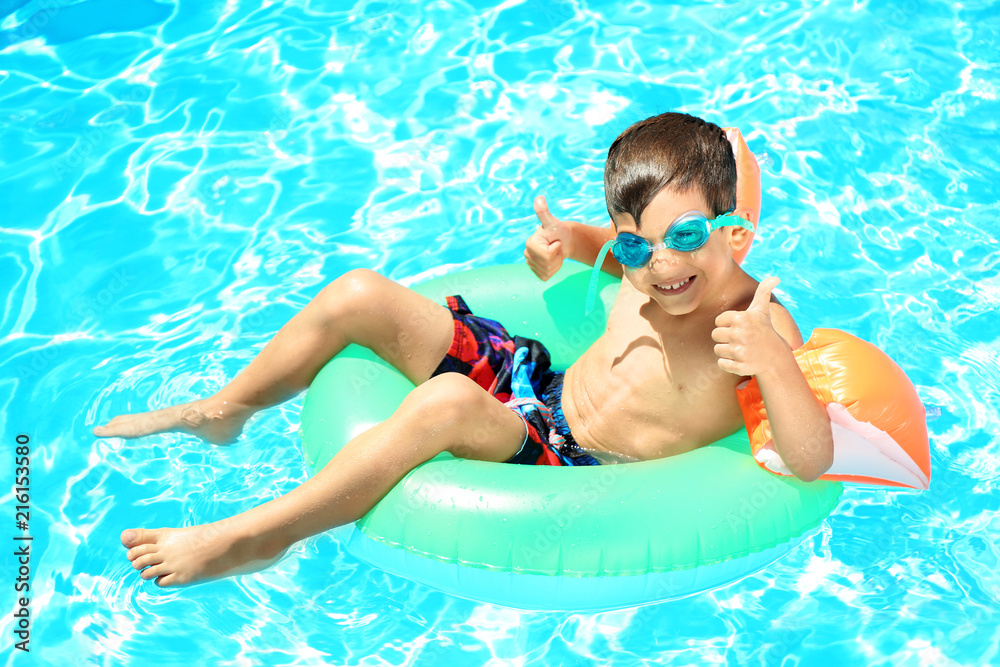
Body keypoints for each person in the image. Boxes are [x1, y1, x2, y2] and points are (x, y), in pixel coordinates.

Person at [95, 112, 834, 588]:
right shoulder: (641, 252)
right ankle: (227, 408)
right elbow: (594, 242)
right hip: (537, 381)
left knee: (446, 403)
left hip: (571, 462)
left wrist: (770, 362)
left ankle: (256, 535)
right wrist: (559, 246)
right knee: (358, 293)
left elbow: (810, 459)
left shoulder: (757, 324)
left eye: (685, 238)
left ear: (734, 233)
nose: (661, 266)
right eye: (640, 243)